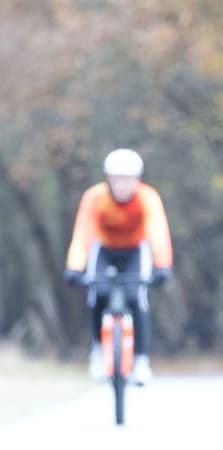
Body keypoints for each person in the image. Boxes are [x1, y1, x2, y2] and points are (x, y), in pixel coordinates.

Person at [64, 148, 172, 385]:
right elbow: (83, 233)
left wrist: (162, 265)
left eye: (128, 180)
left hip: (135, 251)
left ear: (137, 180)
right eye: (117, 180)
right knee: (98, 294)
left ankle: (141, 361)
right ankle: (98, 352)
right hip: (104, 250)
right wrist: (74, 267)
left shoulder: (147, 198)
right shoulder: (95, 198)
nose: (122, 186)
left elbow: (157, 231)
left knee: (136, 297)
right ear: (108, 180)